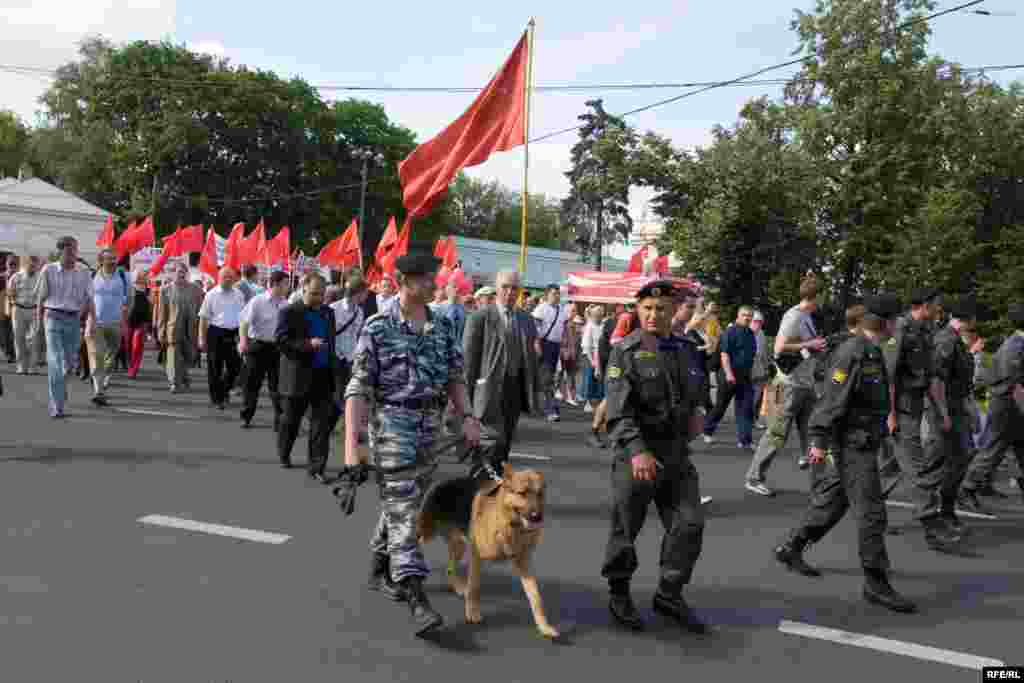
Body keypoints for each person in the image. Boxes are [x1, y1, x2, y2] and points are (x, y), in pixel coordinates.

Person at [340, 245, 480, 637]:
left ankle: (375, 568)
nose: (433, 283)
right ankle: (416, 595)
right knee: (403, 508)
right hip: (392, 426)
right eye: (424, 278)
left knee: (405, 502)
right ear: (402, 282)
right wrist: (353, 449)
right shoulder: (377, 328)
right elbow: (357, 389)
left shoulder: (442, 326)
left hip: (430, 428)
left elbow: (455, 376)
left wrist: (467, 417)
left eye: (432, 276)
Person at [773, 293, 916, 613]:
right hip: (853, 444)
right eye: (898, 321)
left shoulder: (871, 350)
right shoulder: (853, 353)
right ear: (887, 322)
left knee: (833, 503)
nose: (900, 326)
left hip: (864, 440)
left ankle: (791, 547)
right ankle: (876, 583)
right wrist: (818, 441)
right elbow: (831, 403)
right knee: (872, 514)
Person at [601, 280, 708, 633]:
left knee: (689, 524)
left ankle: (669, 593)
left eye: (660, 309)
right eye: (645, 308)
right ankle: (619, 591)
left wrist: (698, 412)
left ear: (673, 310)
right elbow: (618, 410)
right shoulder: (626, 351)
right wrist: (637, 451)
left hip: (676, 454)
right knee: (625, 529)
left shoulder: (687, 349)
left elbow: (697, 391)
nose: (651, 314)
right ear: (638, 309)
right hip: (638, 454)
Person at [745, 274, 827, 494]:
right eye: (823, 295)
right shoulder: (794, 316)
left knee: (813, 430)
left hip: (804, 384)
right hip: (786, 385)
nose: (825, 299)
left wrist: (814, 347)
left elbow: (802, 348)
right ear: (815, 296)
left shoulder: (807, 316)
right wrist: (810, 343)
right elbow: (779, 348)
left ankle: (818, 478)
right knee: (776, 432)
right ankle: (754, 478)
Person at [463, 269, 542, 475]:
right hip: (487, 392)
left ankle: (494, 495)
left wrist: (536, 390)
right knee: (487, 449)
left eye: (514, 287)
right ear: (496, 289)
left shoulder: (526, 319)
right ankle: (477, 494)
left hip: (514, 391)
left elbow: (531, 359)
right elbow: (469, 363)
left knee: (504, 446)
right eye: (505, 287)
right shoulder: (480, 318)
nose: (510, 292)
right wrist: (465, 404)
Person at [921, 298, 979, 545]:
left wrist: (970, 410)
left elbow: (962, 383)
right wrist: (943, 413)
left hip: (957, 409)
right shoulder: (946, 339)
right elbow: (937, 381)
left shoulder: (957, 341)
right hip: (944, 411)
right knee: (935, 463)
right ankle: (933, 516)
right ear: (969, 319)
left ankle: (946, 510)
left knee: (961, 457)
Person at [275, 272, 341, 478]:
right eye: (314, 294)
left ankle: (317, 467)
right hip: (298, 376)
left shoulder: (328, 313)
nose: (319, 299)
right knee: (291, 421)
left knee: (321, 424)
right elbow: (281, 341)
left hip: (322, 375)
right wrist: (307, 344)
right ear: (303, 289)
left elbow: (331, 341)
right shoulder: (289, 312)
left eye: (322, 294)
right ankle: (284, 452)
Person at [959, 303, 1024, 505]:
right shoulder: (1016, 346)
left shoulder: (1015, 342)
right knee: (993, 448)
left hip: (1010, 403)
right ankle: (967, 488)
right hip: (1007, 404)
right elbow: (1013, 381)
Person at [35, 237, 95, 418]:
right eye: (69, 251)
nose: (73, 254)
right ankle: (57, 405)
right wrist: (38, 323)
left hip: (73, 320)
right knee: (55, 361)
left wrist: (92, 321)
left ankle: (61, 389)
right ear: (60, 252)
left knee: (68, 364)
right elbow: (41, 297)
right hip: (52, 317)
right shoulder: (49, 269)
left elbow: (90, 298)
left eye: (75, 250)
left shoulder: (83, 272)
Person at [238, 270, 289, 430]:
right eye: (285, 284)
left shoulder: (286, 305)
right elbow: (244, 323)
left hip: (277, 348)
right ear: (275, 285)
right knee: (252, 385)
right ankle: (246, 416)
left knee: (277, 386)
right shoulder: (257, 301)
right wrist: (243, 341)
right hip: (258, 346)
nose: (287, 287)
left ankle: (279, 420)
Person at [702, 306, 757, 449]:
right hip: (728, 375)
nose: (747, 318)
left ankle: (745, 440)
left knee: (746, 408)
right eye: (744, 315)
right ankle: (707, 430)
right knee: (721, 406)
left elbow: (751, 356)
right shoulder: (730, 332)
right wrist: (729, 374)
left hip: (744, 376)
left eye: (750, 316)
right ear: (738, 315)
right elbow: (724, 354)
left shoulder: (750, 333)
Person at [85, 248, 130, 406]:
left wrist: (125, 323)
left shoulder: (124, 276)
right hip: (96, 323)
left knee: (111, 357)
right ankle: (99, 391)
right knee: (97, 355)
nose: (112, 261)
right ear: (101, 260)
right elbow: (85, 299)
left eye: (114, 258)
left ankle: (105, 376)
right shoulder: (92, 276)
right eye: (109, 259)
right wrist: (89, 320)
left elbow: (128, 301)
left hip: (116, 323)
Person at [197, 267, 245, 409]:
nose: (228, 279)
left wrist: (243, 338)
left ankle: (224, 391)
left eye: (230, 277)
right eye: (225, 277)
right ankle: (217, 398)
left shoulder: (239, 295)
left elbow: (243, 317)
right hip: (215, 333)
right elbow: (204, 318)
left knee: (235, 367)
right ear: (219, 278)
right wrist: (201, 338)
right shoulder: (211, 295)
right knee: (214, 367)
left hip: (233, 334)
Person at [158, 263, 201, 393]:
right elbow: (162, 313)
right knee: (173, 356)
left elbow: (200, 310)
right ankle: (174, 383)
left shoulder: (195, 289)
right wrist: (161, 331)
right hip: (173, 328)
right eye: (178, 272)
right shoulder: (165, 290)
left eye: (183, 272)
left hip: (190, 328)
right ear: (173, 273)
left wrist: (200, 331)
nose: (181, 274)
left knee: (188, 355)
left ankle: (184, 375)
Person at [532, 284, 568, 422]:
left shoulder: (561, 309)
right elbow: (535, 328)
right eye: (554, 294)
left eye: (558, 294)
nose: (557, 296)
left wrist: (566, 346)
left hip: (556, 346)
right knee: (547, 378)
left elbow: (564, 329)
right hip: (544, 344)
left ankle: (547, 404)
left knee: (552, 376)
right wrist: (536, 344)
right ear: (547, 295)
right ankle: (551, 409)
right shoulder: (541, 309)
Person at [7, 254, 42, 374]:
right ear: (25, 264)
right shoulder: (16, 276)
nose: (32, 266)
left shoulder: (41, 277)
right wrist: (12, 302)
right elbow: (10, 292)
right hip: (18, 309)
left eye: (35, 264)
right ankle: (21, 366)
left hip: (34, 309)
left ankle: (33, 366)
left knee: (34, 339)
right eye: (30, 264)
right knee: (18, 337)